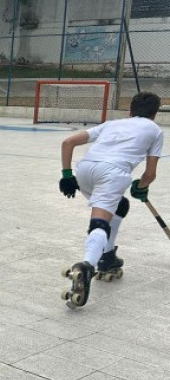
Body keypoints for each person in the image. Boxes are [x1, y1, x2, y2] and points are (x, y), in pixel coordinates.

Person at [58, 91, 163, 308]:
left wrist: (67, 175)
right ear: (154, 114)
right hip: (112, 173)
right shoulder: (155, 130)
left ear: (130, 111)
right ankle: (88, 265)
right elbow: (150, 174)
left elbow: (68, 142)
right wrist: (141, 188)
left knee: (120, 206)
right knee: (100, 223)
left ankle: (108, 256)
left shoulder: (112, 124)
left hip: (86, 169)